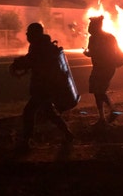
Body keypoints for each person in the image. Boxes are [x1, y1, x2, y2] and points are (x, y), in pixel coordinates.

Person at [9, 23, 74, 151]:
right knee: (49, 112)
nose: (27, 34)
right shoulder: (42, 45)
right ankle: (68, 134)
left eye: (29, 32)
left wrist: (17, 64)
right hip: (46, 85)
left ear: (35, 33)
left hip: (44, 86)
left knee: (29, 111)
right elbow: (32, 61)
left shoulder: (40, 47)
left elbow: (33, 61)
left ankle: (26, 141)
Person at [83, 16, 123, 126]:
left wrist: (86, 53)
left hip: (101, 68)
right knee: (98, 91)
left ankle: (110, 112)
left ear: (96, 26)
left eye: (91, 25)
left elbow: (92, 53)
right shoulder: (110, 37)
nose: (89, 27)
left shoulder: (94, 38)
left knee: (98, 91)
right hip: (109, 67)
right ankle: (103, 117)